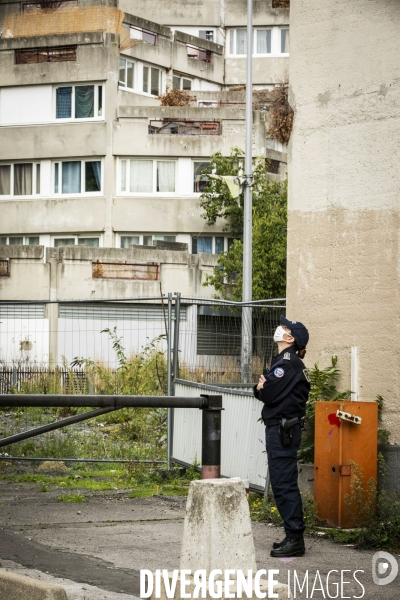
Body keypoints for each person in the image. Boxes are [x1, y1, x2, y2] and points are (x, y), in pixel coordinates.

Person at [254, 315, 310, 558]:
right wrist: (260, 389)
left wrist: (261, 387)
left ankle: (295, 538)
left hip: (283, 429)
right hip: (281, 428)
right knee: (282, 482)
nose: (280, 328)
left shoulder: (288, 363)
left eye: (285, 327)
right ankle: (292, 535)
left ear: (290, 338)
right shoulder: (285, 361)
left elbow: (267, 393)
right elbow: (264, 392)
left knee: (284, 483)